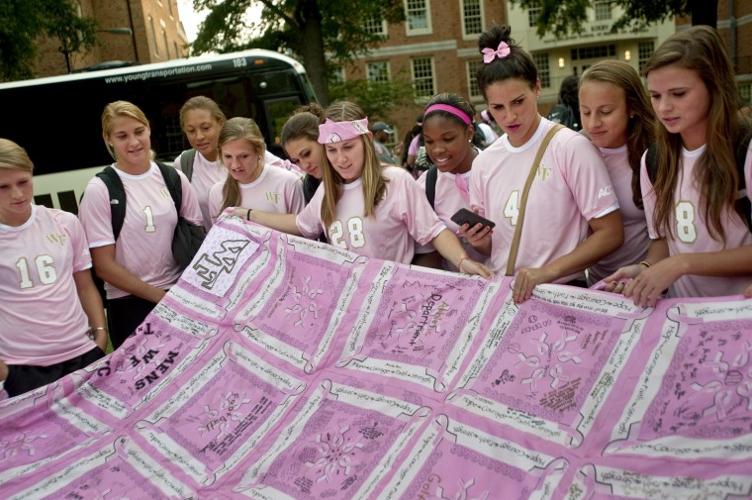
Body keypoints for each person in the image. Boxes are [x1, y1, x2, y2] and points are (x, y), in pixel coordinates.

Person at [461, 25, 623, 303]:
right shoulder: (484, 162)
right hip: (503, 297)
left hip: (562, 294)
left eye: (518, 101)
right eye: (497, 108)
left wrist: (546, 272)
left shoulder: (570, 147)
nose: (510, 116)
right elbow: (496, 247)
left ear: (537, 87)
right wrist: (479, 240)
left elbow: (610, 233)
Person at [237, 101, 491, 277]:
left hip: (397, 300)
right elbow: (302, 224)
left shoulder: (396, 182)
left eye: (348, 147)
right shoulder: (328, 190)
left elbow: (433, 231)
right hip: (351, 306)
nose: (341, 159)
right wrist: (247, 215)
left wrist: (463, 261)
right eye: (332, 150)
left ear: (366, 141)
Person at [604, 26, 752, 306]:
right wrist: (647, 270)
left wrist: (683, 263)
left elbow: (680, 259)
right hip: (681, 320)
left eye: (679, 94)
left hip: (739, 321)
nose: (664, 108)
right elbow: (662, 241)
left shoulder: (745, 150)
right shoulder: (654, 160)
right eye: (656, 96)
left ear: (714, 86)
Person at [78, 101, 202, 349]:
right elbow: (103, 266)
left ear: (148, 130)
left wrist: (183, 295)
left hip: (178, 295)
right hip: (129, 304)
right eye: (122, 136)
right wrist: (160, 297)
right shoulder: (100, 189)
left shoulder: (173, 178)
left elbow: (198, 241)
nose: (134, 142)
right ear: (109, 139)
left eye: (138, 131)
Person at [0, 138, 107, 398]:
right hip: (23, 367)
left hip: (83, 355)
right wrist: (5, 372)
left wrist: (100, 337)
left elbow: (85, 285)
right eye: (3, 187)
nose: (17, 194)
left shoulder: (65, 223)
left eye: (23, 182)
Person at [578, 60, 653, 286]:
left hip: (647, 282)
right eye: (585, 112)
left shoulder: (655, 151)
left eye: (606, 112)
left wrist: (645, 271)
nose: (593, 123)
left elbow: (670, 235)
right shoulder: (575, 148)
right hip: (598, 287)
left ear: (632, 108)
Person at [413, 93, 485, 271]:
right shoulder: (425, 186)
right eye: (429, 141)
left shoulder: (497, 171)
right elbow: (426, 251)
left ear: (469, 132)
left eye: (448, 139)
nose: (437, 150)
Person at [208, 117, 304, 222]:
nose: (235, 165)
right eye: (228, 156)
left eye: (244, 156)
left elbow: (304, 231)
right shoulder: (217, 192)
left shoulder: (288, 183)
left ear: (259, 151)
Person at [174, 96, 227, 230]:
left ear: (220, 123)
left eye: (206, 128)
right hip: (209, 248)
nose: (199, 136)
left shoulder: (245, 154)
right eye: (191, 131)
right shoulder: (184, 163)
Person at [280, 104, 326, 204]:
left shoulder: (355, 172)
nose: (305, 165)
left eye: (306, 154)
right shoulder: (309, 186)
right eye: (296, 161)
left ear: (323, 140)